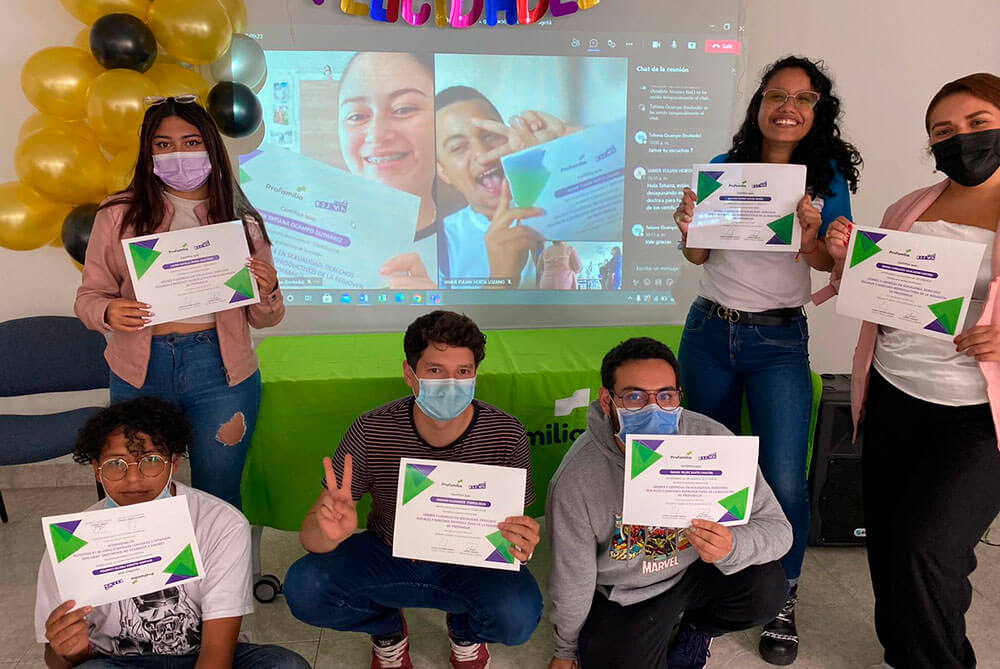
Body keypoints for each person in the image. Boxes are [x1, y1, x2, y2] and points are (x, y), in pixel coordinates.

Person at [672, 55, 862, 665]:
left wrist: (811, 234)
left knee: (782, 477)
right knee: (706, 468)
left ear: (817, 111)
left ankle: (783, 592)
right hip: (709, 331)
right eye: (776, 95)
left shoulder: (827, 177)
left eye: (803, 99)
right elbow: (699, 256)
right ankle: (708, 581)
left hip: (779, 341)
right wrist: (688, 228)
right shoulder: (726, 168)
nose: (788, 107)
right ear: (760, 105)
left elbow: (829, 263)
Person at [821, 72, 1000, 669]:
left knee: (932, 549)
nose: (961, 139)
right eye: (943, 131)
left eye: (978, 123)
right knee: (891, 536)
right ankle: (902, 652)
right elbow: (876, 291)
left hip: (979, 414)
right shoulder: (909, 206)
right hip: (895, 391)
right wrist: (849, 257)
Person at [283, 310, 543, 669]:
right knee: (305, 588)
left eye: (463, 372)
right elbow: (312, 536)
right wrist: (328, 533)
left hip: (470, 561)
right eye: (435, 370)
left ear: (475, 375)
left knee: (517, 616)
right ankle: (387, 630)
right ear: (410, 374)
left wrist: (521, 547)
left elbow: (514, 531)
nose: (451, 383)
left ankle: (465, 632)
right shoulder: (371, 430)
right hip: (387, 551)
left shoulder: (506, 435)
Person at [75, 97, 285, 510]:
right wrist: (107, 311)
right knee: (139, 492)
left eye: (191, 142)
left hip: (221, 368)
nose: (179, 154)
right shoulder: (118, 214)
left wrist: (269, 289)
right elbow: (88, 297)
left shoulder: (241, 220)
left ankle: (222, 556)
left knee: (219, 492)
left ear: (210, 146)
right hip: (141, 369)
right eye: (164, 144)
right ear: (149, 152)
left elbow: (266, 318)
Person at [546, 337, 792, 669]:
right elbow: (572, 575)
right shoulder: (577, 478)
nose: (653, 408)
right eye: (634, 396)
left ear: (678, 396)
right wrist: (564, 649)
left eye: (665, 396)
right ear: (607, 400)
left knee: (768, 588)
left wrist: (733, 545)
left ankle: (697, 629)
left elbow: (779, 531)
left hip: (698, 569)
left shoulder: (714, 439)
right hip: (630, 591)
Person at [34, 398, 310, 669]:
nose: (134, 478)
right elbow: (56, 660)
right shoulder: (71, 542)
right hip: (118, 661)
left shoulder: (220, 523)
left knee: (286, 665)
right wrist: (71, 653)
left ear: (173, 463)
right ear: (97, 469)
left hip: (203, 655)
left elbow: (217, 652)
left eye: (151, 460)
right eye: (116, 464)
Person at [435, 85, 576, 289]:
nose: (482, 153)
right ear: (443, 172)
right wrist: (501, 278)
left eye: (490, 135)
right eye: (457, 147)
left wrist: (576, 140)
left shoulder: (572, 198)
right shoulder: (439, 246)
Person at [336, 51, 439, 289]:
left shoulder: (480, 239)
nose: (377, 134)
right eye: (357, 116)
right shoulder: (307, 241)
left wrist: (439, 307)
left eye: (403, 109)